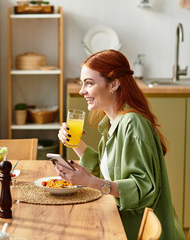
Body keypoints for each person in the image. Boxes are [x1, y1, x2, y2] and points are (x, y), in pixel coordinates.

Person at [56, 49, 185, 240]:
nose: (82, 91)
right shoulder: (114, 122)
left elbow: (143, 188)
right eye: (82, 83)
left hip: (130, 229)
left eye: (89, 83)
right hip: (118, 221)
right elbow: (107, 171)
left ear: (114, 84)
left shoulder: (132, 124)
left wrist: (91, 182)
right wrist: (74, 142)